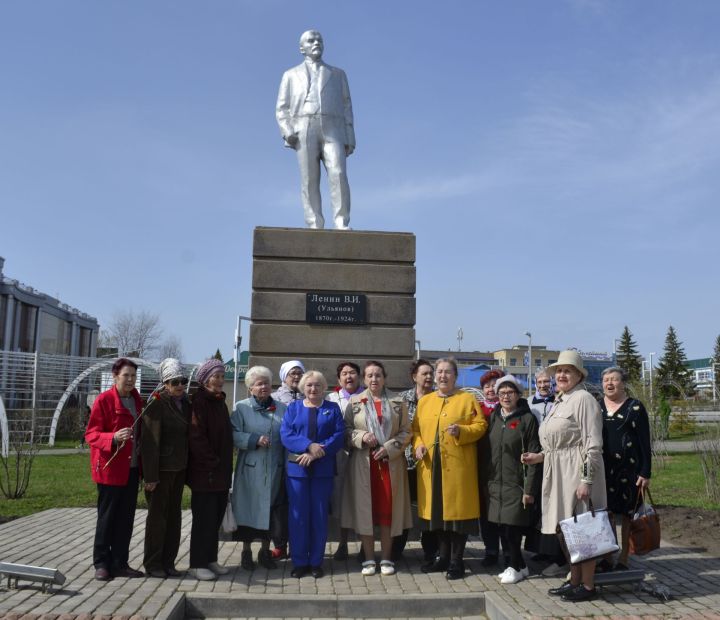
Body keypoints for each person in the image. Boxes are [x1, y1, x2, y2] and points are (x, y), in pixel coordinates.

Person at [521, 350, 606, 603]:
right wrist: (538, 457)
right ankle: (575, 579)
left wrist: (586, 480)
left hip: (576, 473)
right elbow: (555, 445)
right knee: (565, 532)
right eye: (558, 371)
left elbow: (593, 444)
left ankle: (588, 586)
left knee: (583, 531)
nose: (561, 375)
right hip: (558, 473)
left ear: (579, 375)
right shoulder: (560, 400)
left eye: (567, 371)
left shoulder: (583, 400)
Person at [413, 358, 487, 580]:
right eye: (439, 372)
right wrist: (418, 446)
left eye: (447, 372)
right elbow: (415, 430)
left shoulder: (467, 399)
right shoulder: (425, 401)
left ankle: (457, 561)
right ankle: (442, 558)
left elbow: (481, 426)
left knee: (458, 518)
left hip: (457, 468)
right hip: (431, 467)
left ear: (455, 376)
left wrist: (462, 432)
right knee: (438, 515)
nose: (442, 376)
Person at [276, 29, 355, 230]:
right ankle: (314, 223)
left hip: (333, 128)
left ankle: (341, 221)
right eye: (310, 40)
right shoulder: (290, 75)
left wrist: (350, 136)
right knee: (309, 178)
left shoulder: (337, 74)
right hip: (304, 127)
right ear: (302, 48)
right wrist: (287, 130)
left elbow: (347, 105)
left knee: (338, 173)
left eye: (319, 39)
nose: (316, 43)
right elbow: (282, 107)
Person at [342, 361, 412, 576]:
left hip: (390, 464)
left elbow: (407, 431)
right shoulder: (354, 402)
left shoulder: (398, 402)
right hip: (364, 464)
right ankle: (369, 558)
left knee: (388, 511)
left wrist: (389, 448)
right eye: (370, 376)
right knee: (366, 511)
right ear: (364, 379)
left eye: (378, 375)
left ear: (385, 377)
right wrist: (361, 436)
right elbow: (345, 430)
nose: (374, 379)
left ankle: (387, 558)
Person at [280, 370, 345, 578]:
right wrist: (308, 446)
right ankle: (299, 562)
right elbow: (286, 435)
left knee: (318, 515)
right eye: (308, 385)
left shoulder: (332, 408)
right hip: (297, 470)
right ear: (303, 388)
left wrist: (317, 453)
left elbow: (339, 435)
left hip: (322, 470)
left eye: (317, 385)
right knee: (298, 515)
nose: (313, 389)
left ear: (323, 387)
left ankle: (316, 561)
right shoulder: (293, 408)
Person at [85, 358, 144, 581]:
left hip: (132, 469)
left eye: (133, 376)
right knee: (107, 519)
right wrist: (113, 437)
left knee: (125, 520)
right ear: (115, 376)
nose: (130, 380)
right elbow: (91, 434)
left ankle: (120, 563)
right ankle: (101, 563)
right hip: (110, 471)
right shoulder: (104, 400)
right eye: (126, 375)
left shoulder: (138, 401)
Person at [484, 375, 541, 585]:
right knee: (501, 527)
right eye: (502, 393)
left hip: (516, 483)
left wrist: (529, 490)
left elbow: (533, 455)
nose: (505, 396)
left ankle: (515, 566)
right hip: (495, 482)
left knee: (513, 529)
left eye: (510, 392)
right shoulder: (494, 417)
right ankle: (521, 566)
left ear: (518, 394)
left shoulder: (527, 419)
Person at [231, 366, 288, 571]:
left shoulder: (282, 408)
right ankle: (246, 552)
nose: (264, 386)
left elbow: (288, 434)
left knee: (270, 512)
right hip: (251, 470)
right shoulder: (241, 408)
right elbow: (233, 434)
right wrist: (253, 439)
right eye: (258, 384)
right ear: (250, 388)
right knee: (248, 509)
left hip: (275, 468)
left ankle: (265, 552)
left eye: (266, 382)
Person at [140, 358, 191, 578]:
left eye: (182, 380)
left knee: (174, 518)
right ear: (165, 383)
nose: (179, 385)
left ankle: (169, 562)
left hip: (179, 469)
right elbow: (149, 443)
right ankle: (153, 564)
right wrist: (150, 476)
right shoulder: (156, 403)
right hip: (161, 472)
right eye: (174, 381)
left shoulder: (186, 403)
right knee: (157, 520)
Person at [600, 366, 651, 571]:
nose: (610, 384)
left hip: (630, 471)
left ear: (623, 383)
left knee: (628, 514)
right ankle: (608, 554)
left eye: (614, 379)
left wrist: (646, 471)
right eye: (606, 380)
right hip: (603, 470)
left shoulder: (635, 408)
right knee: (607, 513)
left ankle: (624, 557)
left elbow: (645, 442)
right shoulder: (596, 406)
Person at [187, 358, 234, 581]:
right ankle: (197, 563)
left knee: (214, 519)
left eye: (222, 376)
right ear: (205, 379)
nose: (219, 381)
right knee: (203, 519)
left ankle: (210, 559)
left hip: (221, 473)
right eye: (215, 376)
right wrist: (212, 462)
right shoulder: (199, 402)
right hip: (205, 473)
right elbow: (197, 437)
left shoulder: (219, 402)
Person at [394, 358, 437, 561]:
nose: (429, 377)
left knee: (428, 507)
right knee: (402, 508)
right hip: (405, 463)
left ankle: (430, 550)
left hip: (431, 465)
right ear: (414, 377)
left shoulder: (440, 398)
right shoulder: (401, 399)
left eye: (431, 373)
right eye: (424, 373)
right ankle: (396, 549)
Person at [325, 361, 364, 561]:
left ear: (359, 376)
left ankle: (365, 545)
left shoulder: (368, 397)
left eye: (352, 373)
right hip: (339, 457)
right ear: (338, 379)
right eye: (344, 374)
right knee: (341, 501)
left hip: (363, 456)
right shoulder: (331, 399)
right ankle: (342, 544)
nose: (349, 377)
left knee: (363, 500)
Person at [477, 369, 507, 568]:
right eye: (487, 386)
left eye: (494, 385)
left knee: (503, 511)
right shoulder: (477, 408)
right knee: (485, 510)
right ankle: (490, 550)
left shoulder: (507, 408)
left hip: (503, 466)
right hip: (480, 465)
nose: (490, 389)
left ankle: (509, 550)